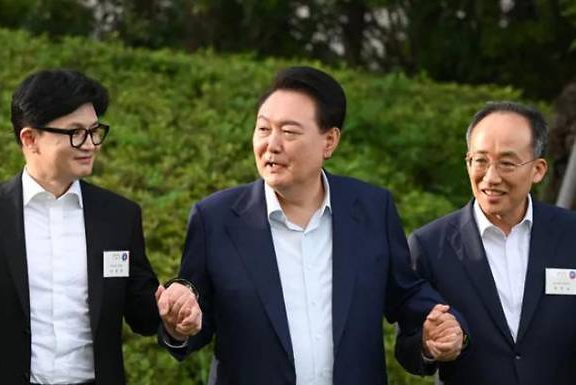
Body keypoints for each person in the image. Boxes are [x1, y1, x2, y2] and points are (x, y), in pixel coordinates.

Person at [161, 66, 466, 385]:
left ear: (329, 141)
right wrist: (178, 324)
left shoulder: (372, 209)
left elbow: (405, 294)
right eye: (263, 130)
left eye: (289, 132)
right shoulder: (216, 218)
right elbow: (194, 312)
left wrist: (442, 327)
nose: (272, 145)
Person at [0, 69, 201, 385]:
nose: (90, 144)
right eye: (75, 132)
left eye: (95, 131)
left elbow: (142, 310)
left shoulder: (118, 216)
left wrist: (173, 313)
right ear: (30, 139)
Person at [395, 101, 576, 385]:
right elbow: (407, 347)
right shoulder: (430, 245)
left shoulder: (570, 234)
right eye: (480, 161)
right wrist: (429, 346)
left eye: (507, 162)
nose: (490, 177)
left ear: (538, 170)